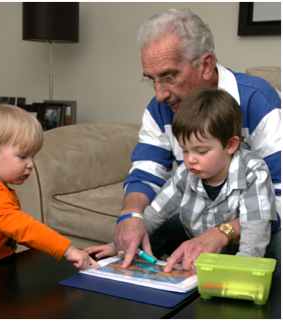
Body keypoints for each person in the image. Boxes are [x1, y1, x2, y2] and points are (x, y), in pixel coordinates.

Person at [113, 8, 282, 273]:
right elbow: (146, 174)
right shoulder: (160, 108)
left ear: (205, 65)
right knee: (142, 239)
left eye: (168, 77)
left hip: (257, 220)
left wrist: (220, 234)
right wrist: (130, 217)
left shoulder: (258, 100)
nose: (159, 94)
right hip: (198, 219)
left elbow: (279, 197)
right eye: (152, 80)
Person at [85, 88, 278, 270]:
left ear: (231, 145)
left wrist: (243, 268)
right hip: (192, 233)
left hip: (236, 246)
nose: (190, 159)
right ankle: (133, 260)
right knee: (161, 230)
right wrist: (116, 247)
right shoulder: (185, 173)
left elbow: (256, 229)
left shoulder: (253, 172)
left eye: (201, 151)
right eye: (185, 150)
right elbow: (154, 214)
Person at [0, 105, 100, 276]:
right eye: (22, 156)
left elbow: (14, 231)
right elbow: (26, 229)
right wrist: (68, 250)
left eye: (32, 157)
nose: (31, 164)